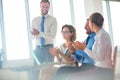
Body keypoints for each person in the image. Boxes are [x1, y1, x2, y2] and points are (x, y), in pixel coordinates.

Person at [54, 12, 114, 80]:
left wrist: (82, 49)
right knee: (62, 70)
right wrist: (74, 52)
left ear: (92, 24)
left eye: (87, 25)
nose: (84, 27)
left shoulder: (99, 36)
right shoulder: (90, 38)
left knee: (64, 72)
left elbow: (96, 57)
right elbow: (81, 59)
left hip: (93, 67)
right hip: (85, 66)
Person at [31, 0, 57, 64]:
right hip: (37, 48)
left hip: (49, 48)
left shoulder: (53, 20)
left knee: (49, 70)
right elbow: (32, 36)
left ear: (49, 7)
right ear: (40, 7)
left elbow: (53, 36)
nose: (45, 8)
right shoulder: (34, 20)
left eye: (47, 7)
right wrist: (33, 35)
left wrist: (39, 33)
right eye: (43, 6)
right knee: (35, 70)